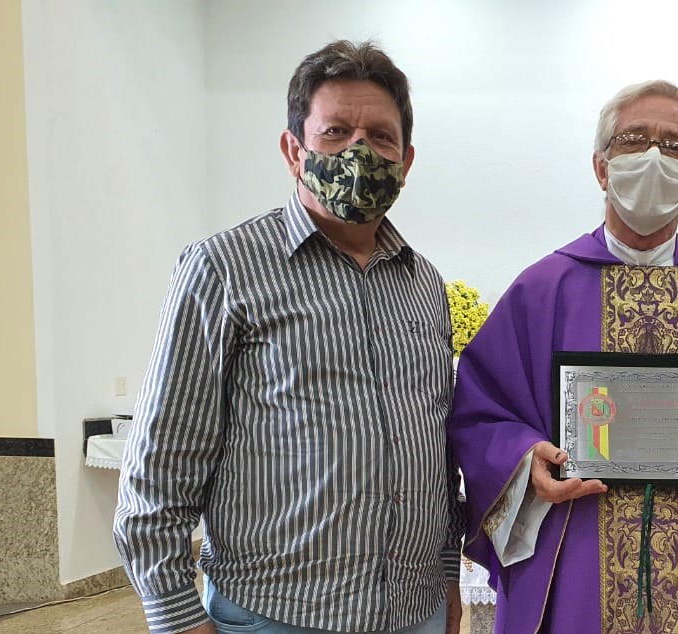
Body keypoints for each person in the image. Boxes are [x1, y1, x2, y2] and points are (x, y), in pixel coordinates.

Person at [114, 40, 463, 634]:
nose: (359, 151)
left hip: (415, 611)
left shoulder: (424, 284)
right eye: (335, 132)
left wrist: (448, 579)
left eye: (380, 137)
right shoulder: (222, 269)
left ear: (406, 160)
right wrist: (175, 616)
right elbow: (160, 465)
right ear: (294, 150)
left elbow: (439, 452)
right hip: (279, 616)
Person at [447, 80, 678, 634]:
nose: (655, 156)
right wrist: (524, 462)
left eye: (677, 146)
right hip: (576, 559)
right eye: (634, 139)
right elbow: (479, 410)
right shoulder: (542, 290)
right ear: (602, 167)